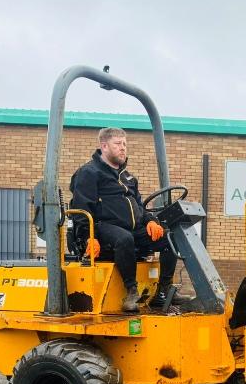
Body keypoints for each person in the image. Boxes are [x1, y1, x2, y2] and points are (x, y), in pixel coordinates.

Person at [69, 127, 187, 312]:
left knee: (171, 238)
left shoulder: (128, 177)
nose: (123, 148)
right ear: (104, 146)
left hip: (132, 228)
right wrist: (87, 237)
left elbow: (139, 205)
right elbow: (81, 207)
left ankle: (163, 291)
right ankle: (131, 291)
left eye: (124, 144)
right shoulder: (89, 173)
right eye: (117, 144)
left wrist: (150, 221)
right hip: (103, 227)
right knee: (124, 239)